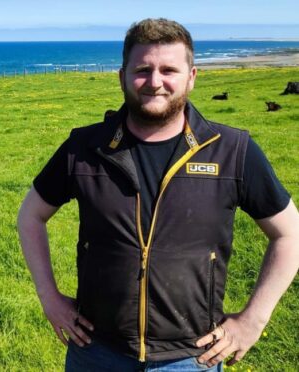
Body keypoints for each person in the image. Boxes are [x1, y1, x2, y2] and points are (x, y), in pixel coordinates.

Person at [17, 18, 299, 371]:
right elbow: (30, 216)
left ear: (191, 77)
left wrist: (253, 320)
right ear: (122, 76)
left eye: (169, 70)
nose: (155, 82)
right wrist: (49, 298)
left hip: (191, 357)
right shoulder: (85, 148)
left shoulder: (231, 151)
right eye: (142, 70)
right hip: (96, 352)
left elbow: (290, 233)